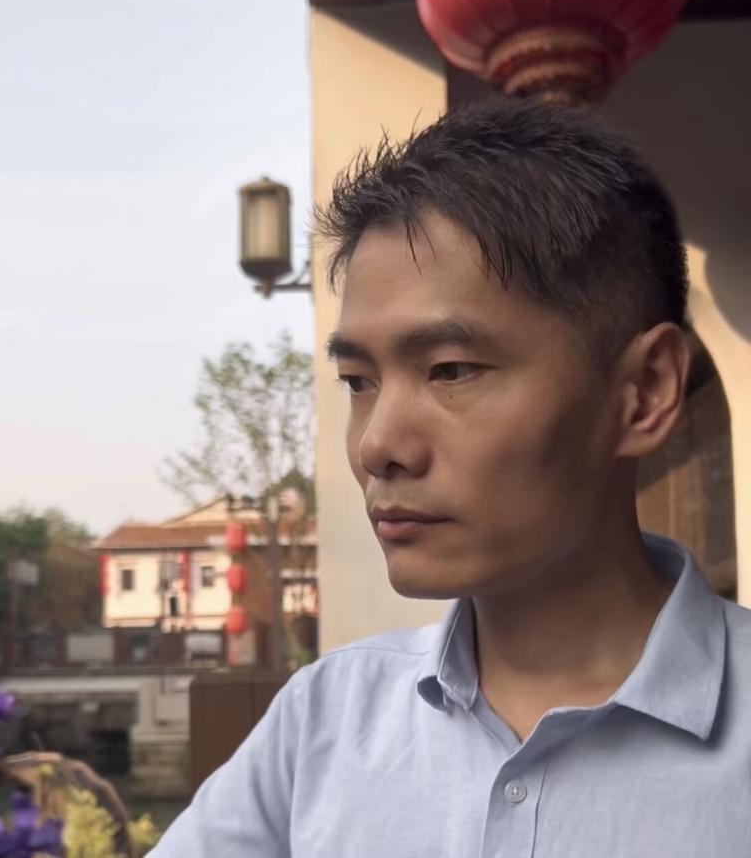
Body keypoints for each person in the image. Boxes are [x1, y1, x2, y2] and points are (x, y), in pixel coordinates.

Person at [150, 99, 751, 857]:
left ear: (645, 392)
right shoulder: (323, 724)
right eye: (358, 381)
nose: (378, 445)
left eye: (451, 370)